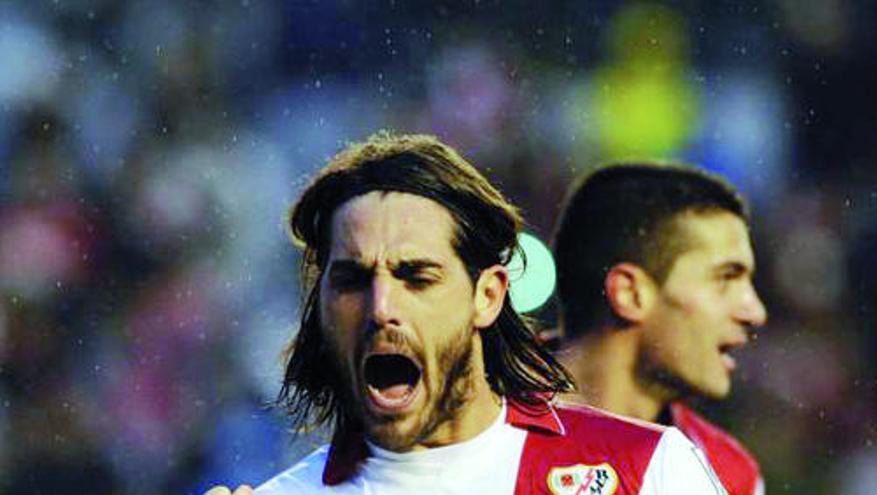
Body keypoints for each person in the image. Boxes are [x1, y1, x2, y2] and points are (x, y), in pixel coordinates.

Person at [208, 134, 728, 495]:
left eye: (417, 277)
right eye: (351, 281)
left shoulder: (642, 471)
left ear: (488, 296)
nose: (381, 308)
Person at [552, 163, 768, 495]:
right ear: (630, 293)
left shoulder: (728, 475)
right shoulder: (468, 421)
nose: (755, 312)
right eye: (726, 278)